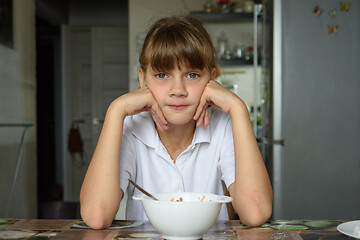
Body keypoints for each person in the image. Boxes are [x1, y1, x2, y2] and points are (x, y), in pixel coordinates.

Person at [80, 15, 272, 230]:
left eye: (192, 75)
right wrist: (115, 111)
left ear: (211, 79)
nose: (178, 90)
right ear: (143, 79)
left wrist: (238, 109)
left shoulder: (224, 125)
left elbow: (255, 213)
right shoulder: (130, 126)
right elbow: (96, 217)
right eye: (162, 75)